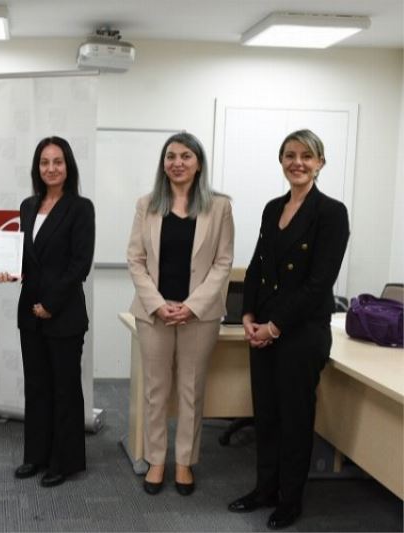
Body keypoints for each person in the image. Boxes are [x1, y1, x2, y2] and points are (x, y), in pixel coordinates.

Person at [228, 129, 349, 530]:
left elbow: (319, 284)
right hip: (263, 328)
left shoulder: (331, 213)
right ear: (281, 160)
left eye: (306, 156)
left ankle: (290, 500)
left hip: (300, 333)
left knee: (295, 419)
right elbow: (258, 265)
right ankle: (265, 489)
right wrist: (247, 314)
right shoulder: (272, 208)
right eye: (290, 155)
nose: (297, 163)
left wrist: (275, 326)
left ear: (320, 163)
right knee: (266, 415)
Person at [126, 132, 234, 496]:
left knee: (191, 390)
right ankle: (156, 459)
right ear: (163, 163)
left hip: (199, 315)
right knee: (156, 391)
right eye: (171, 156)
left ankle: (185, 461)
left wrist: (192, 305)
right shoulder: (147, 205)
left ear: (198, 163)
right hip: (154, 312)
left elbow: (223, 262)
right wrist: (158, 304)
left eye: (186, 156)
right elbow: (135, 259)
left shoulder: (219, 207)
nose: (177, 163)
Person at [0, 136, 95, 488]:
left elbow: (80, 264)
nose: (51, 168)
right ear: (37, 168)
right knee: (37, 387)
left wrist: (51, 304)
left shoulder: (80, 208)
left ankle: (64, 461)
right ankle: (36, 455)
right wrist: (6, 270)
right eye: (44, 162)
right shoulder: (28, 206)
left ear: (68, 166)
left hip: (63, 313)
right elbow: (27, 258)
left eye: (57, 161)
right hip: (29, 313)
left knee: (65, 389)